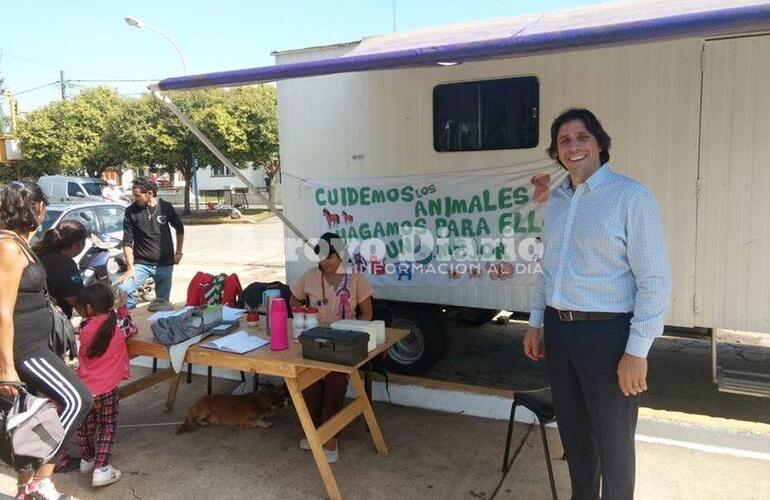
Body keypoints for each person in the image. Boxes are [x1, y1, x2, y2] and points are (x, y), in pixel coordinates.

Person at [523, 109, 671, 500]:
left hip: (607, 336)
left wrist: (636, 351)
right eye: (564, 141)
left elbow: (654, 282)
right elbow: (549, 270)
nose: (573, 146)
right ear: (556, 152)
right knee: (575, 440)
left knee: (615, 446)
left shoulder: (630, 197)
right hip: (560, 333)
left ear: (600, 143)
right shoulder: (555, 203)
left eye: (582, 137)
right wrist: (536, 322)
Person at [0, 180, 92, 500]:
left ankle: (26, 488)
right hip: (24, 348)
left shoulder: (20, 241)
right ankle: (42, 478)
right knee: (78, 398)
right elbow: (2, 309)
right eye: (44, 207)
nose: (45, 212)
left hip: (36, 344)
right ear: (35, 208)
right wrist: (7, 368)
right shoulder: (8, 246)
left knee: (30, 418)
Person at [289, 232, 373, 463]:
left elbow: (367, 313)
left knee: (335, 383)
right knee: (309, 382)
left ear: (341, 255)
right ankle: (315, 430)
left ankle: (330, 437)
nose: (324, 263)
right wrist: (301, 314)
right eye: (320, 258)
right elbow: (294, 299)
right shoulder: (310, 276)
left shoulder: (355, 278)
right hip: (316, 340)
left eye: (329, 258)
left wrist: (357, 332)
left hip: (345, 343)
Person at [75, 282, 129, 488]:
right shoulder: (118, 326)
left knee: (85, 426)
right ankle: (102, 468)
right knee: (108, 426)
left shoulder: (84, 328)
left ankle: (87, 460)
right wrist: (122, 308)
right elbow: (130, 327)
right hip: (107, 389)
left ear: (88, 309)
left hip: (85, 388)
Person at [117, 176, 184, 310]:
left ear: (149, 193)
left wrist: (178, 253)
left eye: (137, 195)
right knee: (124, 289)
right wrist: (130, 268)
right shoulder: (131, 211)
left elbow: (179, 229)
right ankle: (129, 320)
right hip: (141, 264)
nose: (135, 198)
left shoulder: (166, 207)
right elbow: (127, 241)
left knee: (161, 305)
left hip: (164, 263)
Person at [32, 220, 88, 319]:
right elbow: (76, 300)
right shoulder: (65, 265)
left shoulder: (41, 253)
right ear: (78, 244)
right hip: (52, 322)